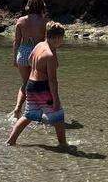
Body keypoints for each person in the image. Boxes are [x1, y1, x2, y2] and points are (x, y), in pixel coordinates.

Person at [6, 21, 69, 149]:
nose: (62, 42)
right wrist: (56, 100)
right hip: (43, 88)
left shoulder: (39, 45)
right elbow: (52, 80)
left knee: (28, 115)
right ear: (57, 38)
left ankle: (10, 141)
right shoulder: (50, 56)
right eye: (62, 39)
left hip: (31, 86)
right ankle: (63, 144)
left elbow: (29, 60)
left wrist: (38, 68)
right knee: (58, 116)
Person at [11, 0, 48, 118]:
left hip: (22, 53)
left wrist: (14, 58)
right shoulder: (45, 22)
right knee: (39, 84)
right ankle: (38, 112)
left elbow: (16, 42)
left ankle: (17, 109)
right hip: (38, 54)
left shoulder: (21, 21)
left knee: (25, 84)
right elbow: (47, 42)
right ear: (42, 5)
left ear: (28, 5)